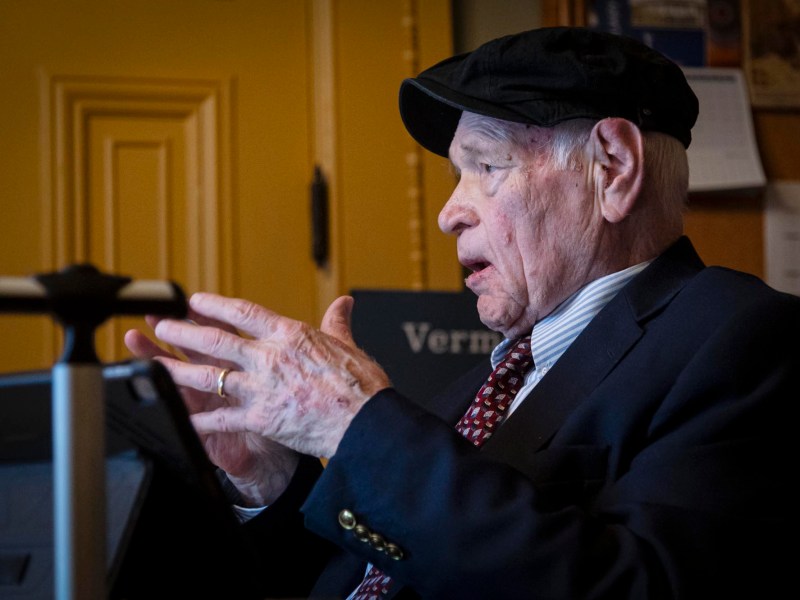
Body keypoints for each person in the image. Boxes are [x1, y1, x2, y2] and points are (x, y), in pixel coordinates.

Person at [124, 26, 799, 599]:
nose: (450, 213)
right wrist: (271, 484)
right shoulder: (475, 389)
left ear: (613, 167)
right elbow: (390, 575)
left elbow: (625, 585)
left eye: (487, 165)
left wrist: (357, 425)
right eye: (456, 175)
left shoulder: (744, 339)